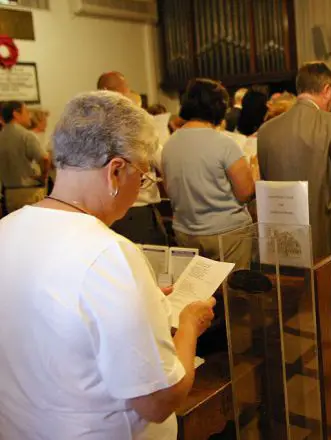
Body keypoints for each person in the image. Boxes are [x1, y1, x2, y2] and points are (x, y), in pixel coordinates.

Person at [0, 91, 216, 439]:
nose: (140, 190)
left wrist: (140, 301)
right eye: (143, 178)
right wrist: (190, 323)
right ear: (116, 170)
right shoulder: (108, 253)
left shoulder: (6, 229)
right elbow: (160, 400)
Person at [258, 62, 331, 338]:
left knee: (296, 312)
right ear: (327, 89)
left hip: (281, 240)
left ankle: (301, 362)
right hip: (327, 235)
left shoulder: (269, 129)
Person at [162, 79, 255, 267]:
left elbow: (170, 188)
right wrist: (253, 169)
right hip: (226, 234)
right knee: (233, 292)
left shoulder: (169, 144)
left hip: (186, 232)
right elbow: (245, 193)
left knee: (200, 292)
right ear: (219, 107)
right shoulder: (224, 143)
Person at [97, 72, 169, 246]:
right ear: (108, 91)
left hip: (104, 210)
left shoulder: (90, 124)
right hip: (137, 211)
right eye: (124, 90)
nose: (127, 96)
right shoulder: (135, 123)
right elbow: (162, 159)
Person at [0, 101, 50, 213]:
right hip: (29, 193)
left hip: (9, 194)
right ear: (16, 114)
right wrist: (43, 176)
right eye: (26, 112)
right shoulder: (26, 135)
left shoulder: (1, 136)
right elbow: (44, 158)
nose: (29, 116)